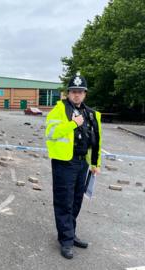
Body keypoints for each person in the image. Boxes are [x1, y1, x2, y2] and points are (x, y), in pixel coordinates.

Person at [45, 72, 102, 259]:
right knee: (64, 202)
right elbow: (51, 133)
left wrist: (95, 163)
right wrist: (71, 124)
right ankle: (66, 240)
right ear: (68, 93)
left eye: (80, 91)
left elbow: (97, 140)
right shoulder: (59, 110)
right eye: (73, 91)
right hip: (64, 163)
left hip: (81, 164)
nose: (77, 95)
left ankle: (71, 233)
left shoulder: (90, 113)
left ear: (85, 94)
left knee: (76, 200)